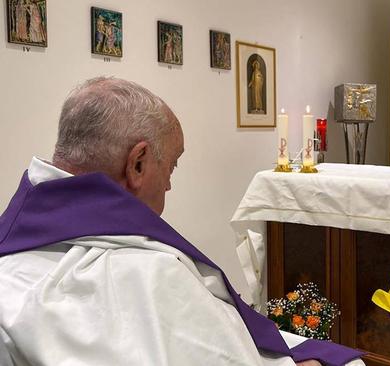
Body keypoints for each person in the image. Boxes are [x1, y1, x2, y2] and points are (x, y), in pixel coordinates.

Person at [0, 77, 364, 366]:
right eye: (172, 165)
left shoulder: (13, 246)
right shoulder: (150, 273)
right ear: (138, 164)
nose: (171, 183)